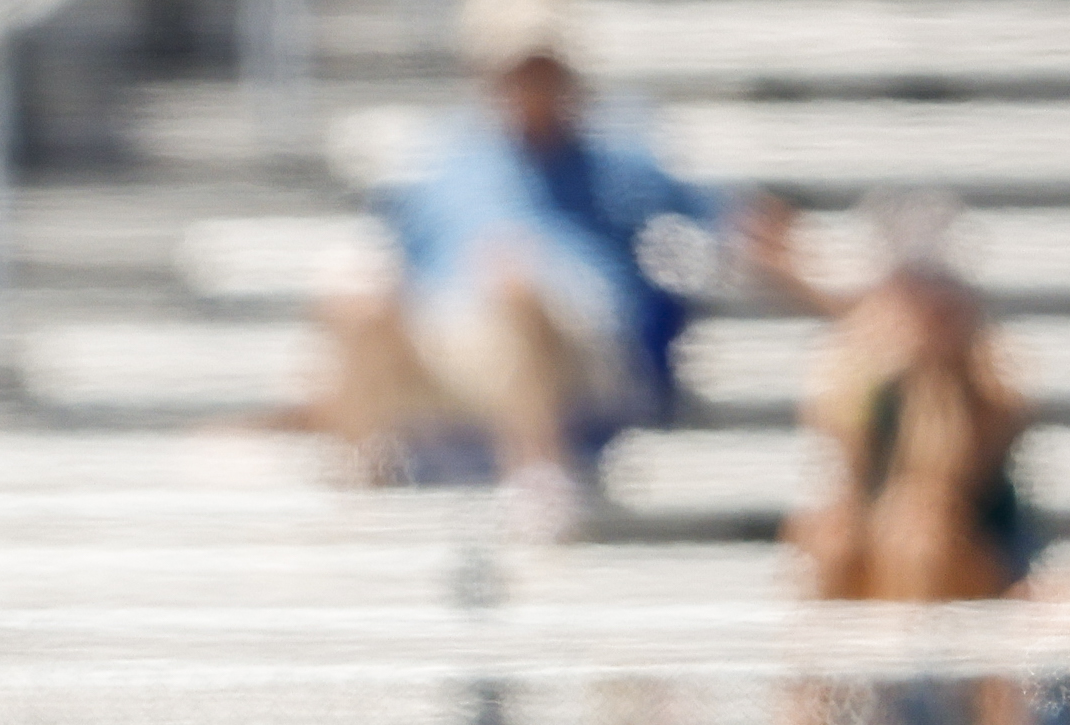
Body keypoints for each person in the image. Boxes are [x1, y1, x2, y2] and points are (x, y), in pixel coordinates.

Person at [310, 0, 818, 534]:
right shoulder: (442, 162)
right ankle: (358, 487)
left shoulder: (620, 154)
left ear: (568, 71)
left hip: (580, 348)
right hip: (459, 350)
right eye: (515, 71)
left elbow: (735, 221)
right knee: (355, 293)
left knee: (514, 279)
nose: (529, 86)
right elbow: (393, 270)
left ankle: (540, 475)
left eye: (541, 68)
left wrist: (824, 289)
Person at [755, 202, 1032, 725]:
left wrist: (933, 381)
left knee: (918, 531)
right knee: (826, 537)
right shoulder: (865, 362)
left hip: (975, 565)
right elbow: (846, 481)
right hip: (881, 555)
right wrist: (878, 366)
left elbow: (949, 481)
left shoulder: (988, 375)